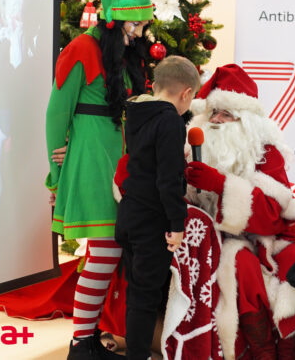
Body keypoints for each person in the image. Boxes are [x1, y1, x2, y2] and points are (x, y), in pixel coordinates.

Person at [45, 0, 153, 360]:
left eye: (141, 23)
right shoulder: (80, 49)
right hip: (93, 163)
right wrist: (56, 172)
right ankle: (81, 343)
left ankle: (86, 339)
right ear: (113, 18)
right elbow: (56, 114)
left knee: (109, 254)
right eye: (134, 23)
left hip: (120, 164)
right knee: (105, 252)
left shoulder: (123, 54)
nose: (139, 32)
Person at [184, 64, 295, 360]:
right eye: (213, 112)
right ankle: (261, 352)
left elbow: (272, 216)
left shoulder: (266, 153)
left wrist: (220, 184)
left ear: (246, 122)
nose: (216, 120)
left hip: (268, 237)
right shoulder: (192, 148)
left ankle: (289, 352)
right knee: (240, 264)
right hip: (216, 240)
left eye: (226, 114)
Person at [115, 55, 200, 360]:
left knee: (136, 293)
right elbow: (168, 179)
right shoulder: (169, 120)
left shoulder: (137, 112)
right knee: (145, 298)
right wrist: (177, 225)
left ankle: (136, 352)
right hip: (151, 220)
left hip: (129, 214)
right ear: (186, 93)